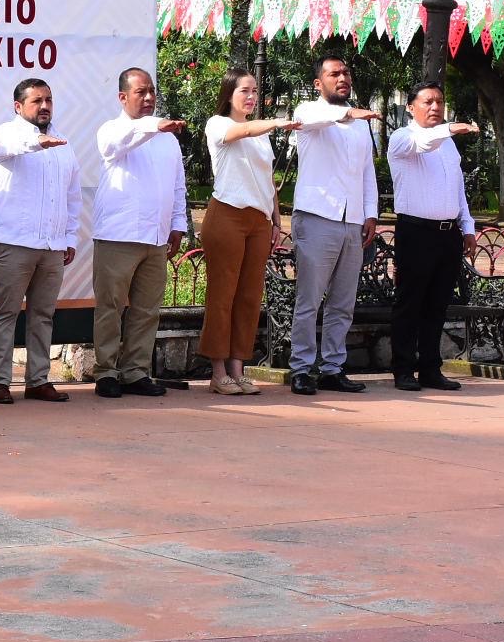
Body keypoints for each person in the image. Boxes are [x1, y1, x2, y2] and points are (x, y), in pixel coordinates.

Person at [199, 69, 299, 395]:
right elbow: (239, 132)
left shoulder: (261, 135)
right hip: (227, 214)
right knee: (223, 295)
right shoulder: (219, 124)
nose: (251, 97)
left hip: (258, 220)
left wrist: (274, 221)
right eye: (245, 90)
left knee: (250, 297)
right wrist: (275, 123)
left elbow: (268, 181)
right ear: (229, 94)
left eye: (255, 91)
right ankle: (217, 371)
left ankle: (238, 368)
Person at [288, 55, 382, 396]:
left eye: (345, 73)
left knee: (343, 301)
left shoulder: (360, 125)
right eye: (333, 74)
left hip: (352, 220)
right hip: (317, 217)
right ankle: (300, 368)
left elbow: (367, 172)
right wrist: (349, 113)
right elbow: (320, 118)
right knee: (309, 299)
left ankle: (332, 367)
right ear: (319, 83)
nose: (342, 78)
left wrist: (370, 212)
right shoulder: (307, 111)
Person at [92, 68, 187, 399]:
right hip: (118, 235)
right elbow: (118, 144)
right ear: (122, 97)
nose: (148, 98)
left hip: (156, 237)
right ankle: (106, 371)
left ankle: (135, 371)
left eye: (152, 92)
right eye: (140, 92)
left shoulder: (168, 139)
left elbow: (177, 186)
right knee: (111, 307)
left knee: (147, 310)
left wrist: (178, 225)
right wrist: (153, 126)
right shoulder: (111, 130)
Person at [0, 78, 80, 404]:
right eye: (36, 100)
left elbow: (72, 195)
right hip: (13, 243)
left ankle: (38, 380)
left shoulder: (63, 142)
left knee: (43, 315)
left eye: (48, 99)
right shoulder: (5, 134)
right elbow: (10, 149)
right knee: (6, 313)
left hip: (52, 247)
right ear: (18, 106)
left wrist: (69, 237)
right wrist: (39, 143)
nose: (44, 106)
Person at [388, 81, 479, 392]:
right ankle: (403, 369)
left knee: (437, 305)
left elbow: (457, 187)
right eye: (427, 102)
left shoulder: (449, 144)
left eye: (439, 101)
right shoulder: (403, 137)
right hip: (415, 231)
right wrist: (452, 128)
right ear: (411, 107)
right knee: (409, 303)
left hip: (447, 233)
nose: (435, 107)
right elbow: (425, 143)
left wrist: (467, 227)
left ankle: (430, 369)